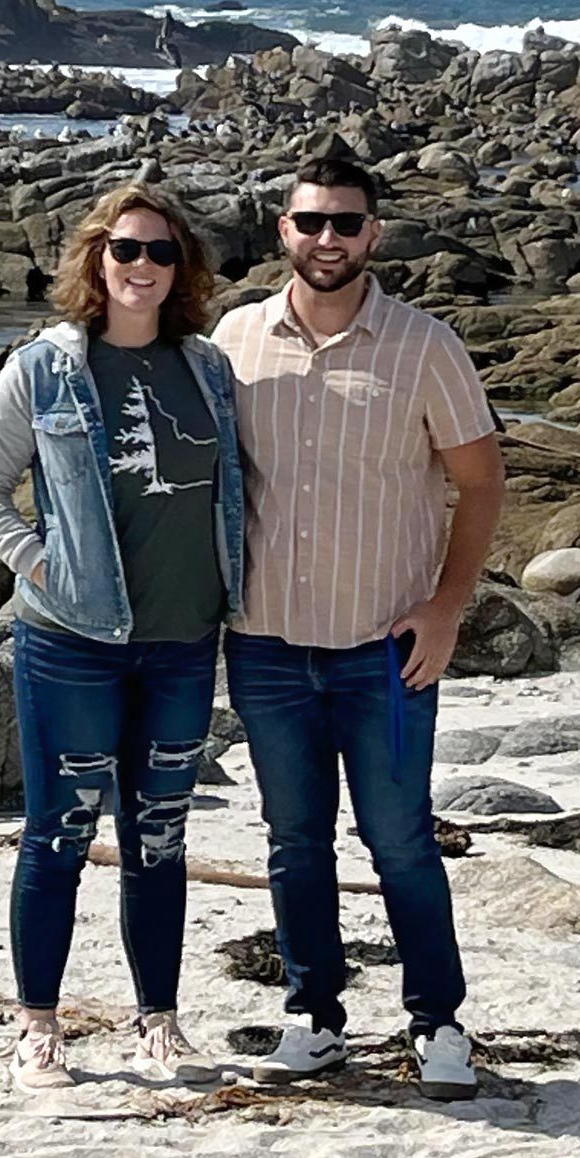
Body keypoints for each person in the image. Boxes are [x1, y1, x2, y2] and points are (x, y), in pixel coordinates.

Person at [211, 157, 505, 1101]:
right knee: (294, 840)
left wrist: (448, 607)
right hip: (264, 641)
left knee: (401, 840)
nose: (326, 241)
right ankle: (315, 1016)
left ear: (374, 233)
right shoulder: (234, 341)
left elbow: (482, 482)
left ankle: (438, 1022)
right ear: (281, 231)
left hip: (386, 647)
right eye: (310, 224)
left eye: (345, 224)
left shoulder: (426, 346)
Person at [0, 184, 244, 1092]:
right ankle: (38, 1027)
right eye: (127, 250)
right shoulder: (43, 369)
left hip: (183, 645)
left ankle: (157, 1022)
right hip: (70, 646)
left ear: (183, 268)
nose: (144, 268)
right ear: (96, 259)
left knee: (159, 836)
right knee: (59, 834)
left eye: (162, 253)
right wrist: (45, 570)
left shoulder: (208, 370)